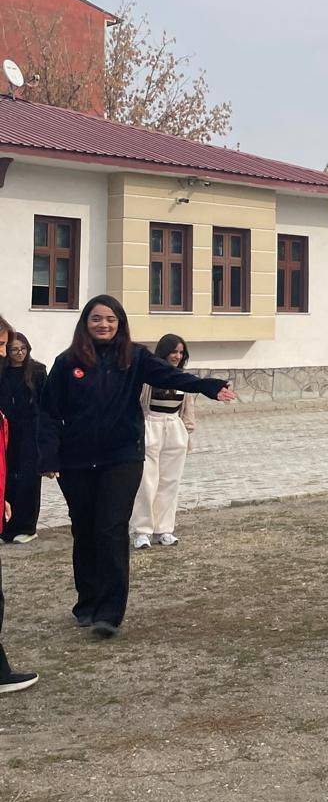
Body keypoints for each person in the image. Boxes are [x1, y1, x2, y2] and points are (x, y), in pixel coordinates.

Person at [38, 295, 236, 638]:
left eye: (111, 319)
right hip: (76, 461)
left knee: (111, 529)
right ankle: (87, 603)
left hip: (122, 457)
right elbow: (49, 413)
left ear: (120, 323)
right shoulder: (67, 362)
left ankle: (109, 613)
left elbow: (171, 376)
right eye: (97, 319)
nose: (104, 325)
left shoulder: (135, 357)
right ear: (86, 322)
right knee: (84, 530)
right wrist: (48, 456)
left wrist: (207, 386)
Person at [131, 333, 198, 550]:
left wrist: (186, 433)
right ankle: (142, 531)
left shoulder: (182, 378)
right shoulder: (149, 377)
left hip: (174, 428)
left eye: (181, 352)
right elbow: (139, 403)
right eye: (174, 351)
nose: (177, 356)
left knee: (170, 481)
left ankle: (164, 529)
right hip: (151, 426)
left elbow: (188, 411)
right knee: (147, 482)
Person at [0, 315, 38, 692]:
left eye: (12, 348)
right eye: (5, 348)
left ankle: (25, 525)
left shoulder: (34, 373)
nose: (10, 354)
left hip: (27, 437)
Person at [1, 330, 44, 545]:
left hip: (31, 430)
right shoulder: (3, 372)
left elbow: (45, 404)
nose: (19, 353)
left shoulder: (37, 371)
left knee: (28, 478)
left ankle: (27, 526)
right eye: (14, 349)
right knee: (7, 477)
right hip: (7, 430)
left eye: (23, 349)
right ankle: (6, 527)